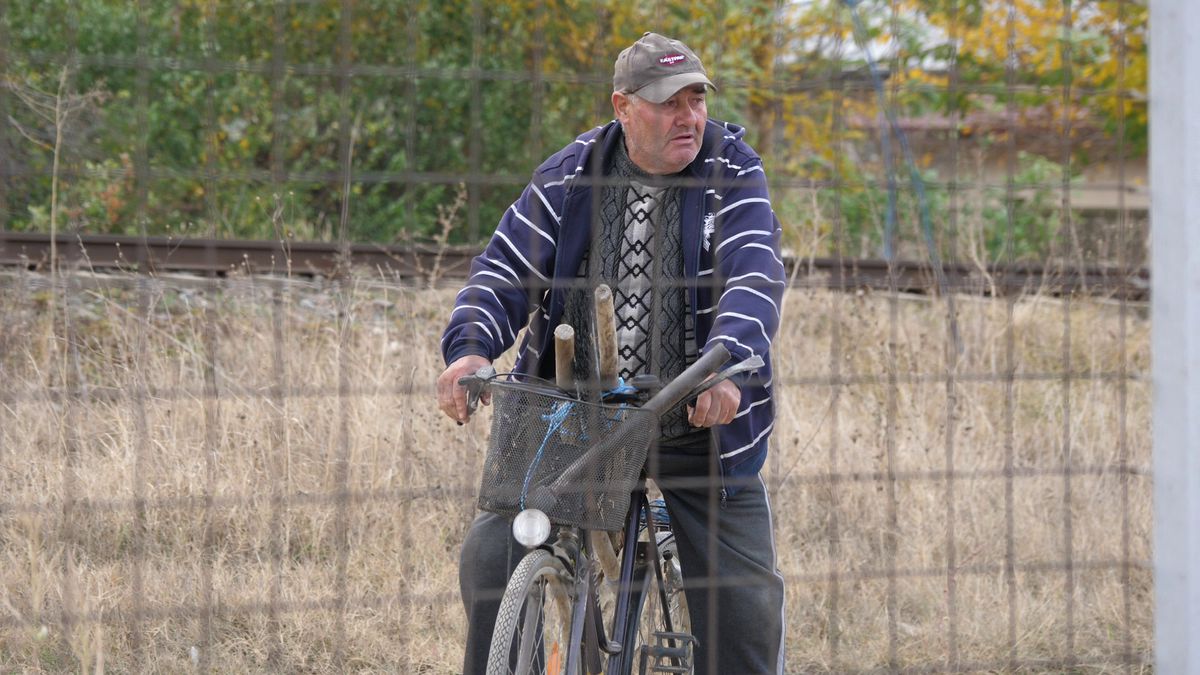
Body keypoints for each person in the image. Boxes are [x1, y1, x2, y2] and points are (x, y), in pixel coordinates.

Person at [436, 32, 786, 675]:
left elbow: (754, 277)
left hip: (695, 422)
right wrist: (469, 349)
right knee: (493, 553)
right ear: (623, 108)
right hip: (574, 419)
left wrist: (729, 364)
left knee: (743, 610)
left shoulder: (731, 171)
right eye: (668, 103)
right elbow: (503, 272)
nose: (689, 117)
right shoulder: (572, 174)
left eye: (696, 100)